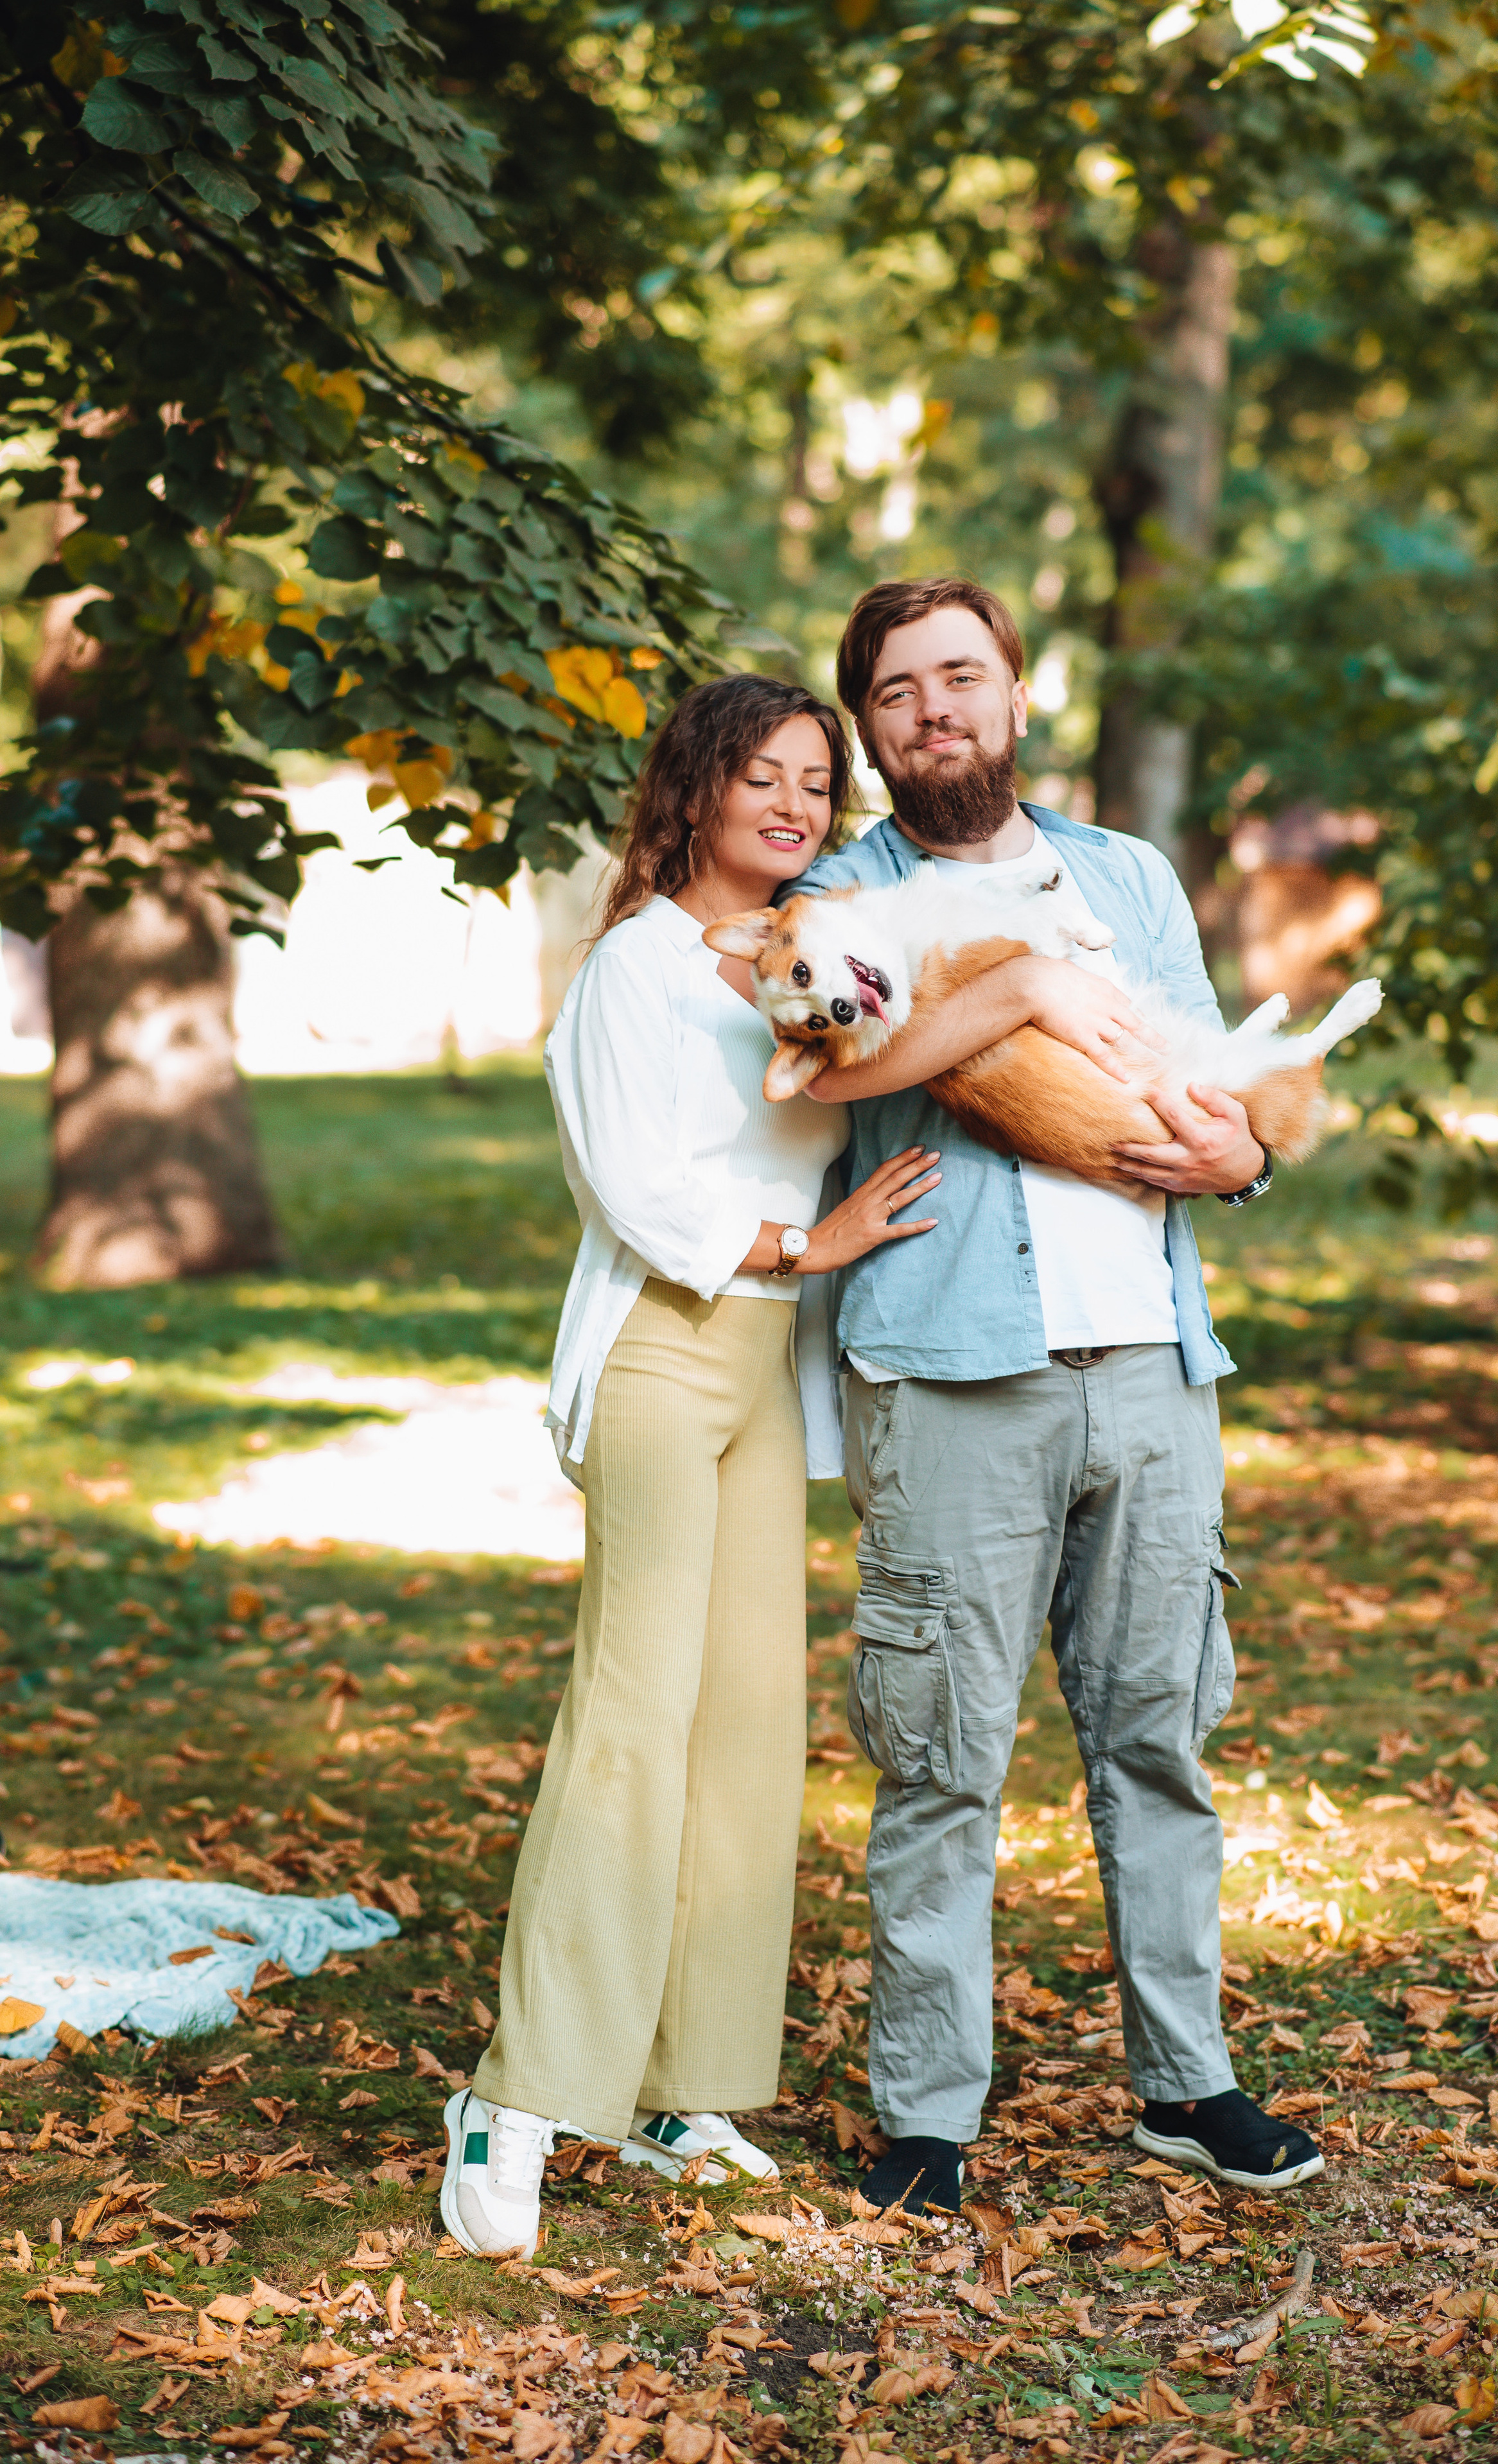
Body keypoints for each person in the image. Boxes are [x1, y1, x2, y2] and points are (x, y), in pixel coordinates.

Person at [788, 576, 1326, 2210]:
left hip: (1154, 1369)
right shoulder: (842, 892)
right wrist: (1012, 992)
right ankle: (927, 2117)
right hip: (953, 1373)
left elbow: (1205, 1072)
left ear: (1016, 693)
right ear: (871, 727)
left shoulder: (1123, 873)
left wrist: (1243, 1158)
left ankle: (1188, 2083)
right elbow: (831, 1059)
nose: (934, 709)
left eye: (962, 676)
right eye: (898, 691)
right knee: (943, 1758)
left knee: (1158, 1740)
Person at [440, 674, 942, 2258]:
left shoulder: (812, 954)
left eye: (815, 779)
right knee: (630, 1720)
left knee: (742, 1727)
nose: (793, 804)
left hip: (765, 1369)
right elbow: (636, 1189)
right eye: (763, 778)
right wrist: (816, 1240)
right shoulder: (635, 968)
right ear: (698, 791)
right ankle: (514, 2098)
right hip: (664, 1343)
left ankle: (680, 2084)